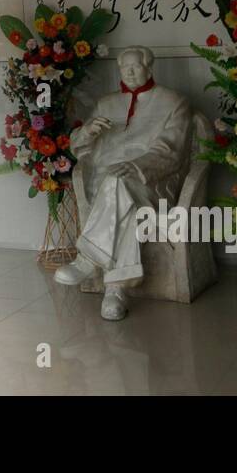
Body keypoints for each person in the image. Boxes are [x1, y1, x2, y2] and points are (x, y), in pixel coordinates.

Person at [55, 46, 193, 321]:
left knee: (119, 185)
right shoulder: (106, 103)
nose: (129, 72)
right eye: (123, 67)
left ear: (149, 68)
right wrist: (87, 132)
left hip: (152, 180)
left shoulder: (173, 102)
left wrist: (136, 166)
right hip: (104, 181)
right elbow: (77, 147)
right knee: (117, 189)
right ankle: (114, 292)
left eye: (135, 66)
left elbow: (172, 151)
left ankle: (90, 260)